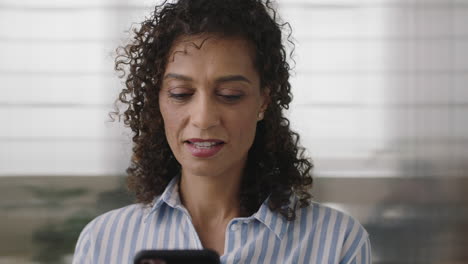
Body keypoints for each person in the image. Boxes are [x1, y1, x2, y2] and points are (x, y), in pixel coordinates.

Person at [73, 0, 372, 263]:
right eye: (180, 93)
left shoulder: (337, 241)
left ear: (263, 101)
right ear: (158, 100)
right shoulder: (103, 241)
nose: (203, 119)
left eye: (230, 94)